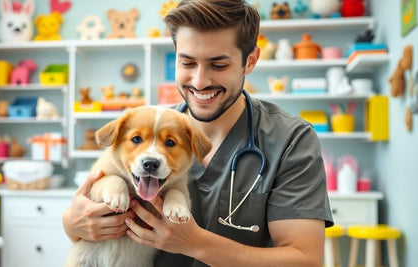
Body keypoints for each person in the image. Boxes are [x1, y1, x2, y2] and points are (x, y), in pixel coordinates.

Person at [63, 0, 333, 266]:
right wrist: (72, 225)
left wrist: (195, 243)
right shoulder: (151, 125)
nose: (200, 81)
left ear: (250, 61)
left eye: (218, 65)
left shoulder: (290, 140)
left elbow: (305, 260)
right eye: (188, 63)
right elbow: (94, 223)